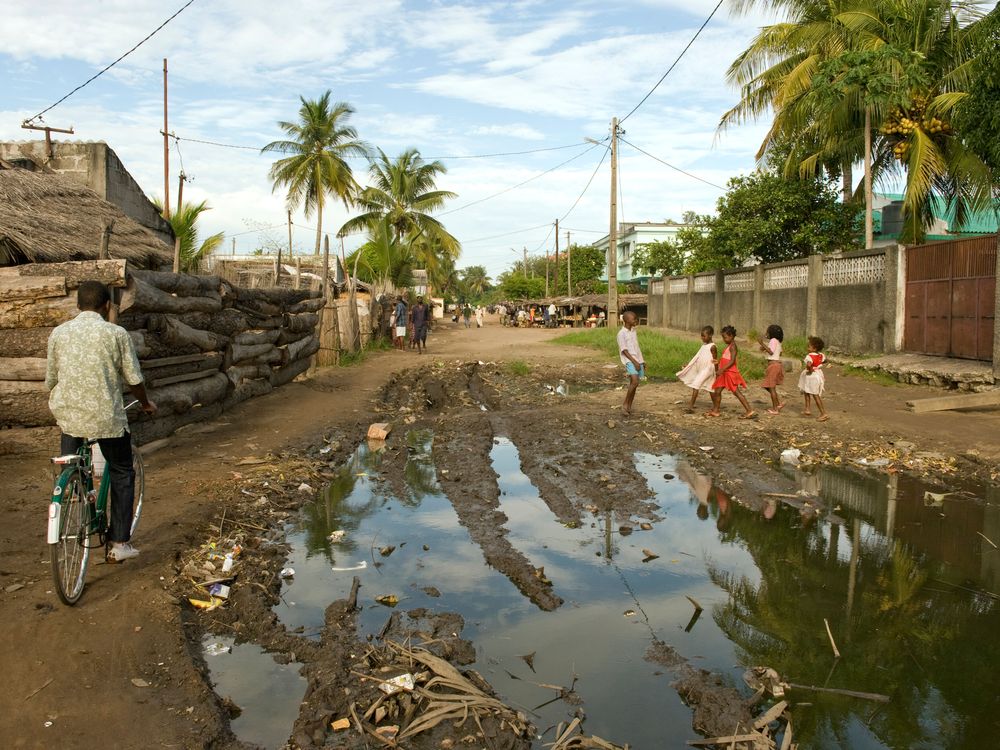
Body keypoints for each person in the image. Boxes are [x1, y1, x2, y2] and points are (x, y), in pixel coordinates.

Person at [45, 281, 157, 563]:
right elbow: (134, 379)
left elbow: (51, 380)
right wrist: (144, 403)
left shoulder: (59, 333)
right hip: (106, 417)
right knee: (121, 470)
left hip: (68, 416)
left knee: (73, 465)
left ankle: (74, 492)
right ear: (107, 306)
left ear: (77, 305)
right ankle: (119, 543)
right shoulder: (115, 333)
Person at [708, 325, 755, 419]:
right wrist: (718, 362)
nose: (724, 339)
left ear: (731, 336)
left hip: (729, 373)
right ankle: (716, 411)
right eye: (723, 337)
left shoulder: (733, 346)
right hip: (725, 373)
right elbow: (726, 359)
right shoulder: (729, 346)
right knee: (717, 391)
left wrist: (721, 369)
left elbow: (732, 361)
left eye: (725, 337)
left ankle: (749, 411)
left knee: (736, 392)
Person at [677, 326, 717, 413]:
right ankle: (716, 407)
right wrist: (688, 365)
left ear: (710, 335)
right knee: (710, 388)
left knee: (696, 385)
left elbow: (715, 361)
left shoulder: (713, 347)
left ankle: (691, 407)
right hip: (702, 370)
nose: (702, 338)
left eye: (704, 336)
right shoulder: (703, 346)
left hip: (708, 370)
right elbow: (697, 357)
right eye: (701, 336)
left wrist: (717, 372)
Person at [617, 311, 645, 416]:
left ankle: (629, 406)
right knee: (634, 381)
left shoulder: (633, 331)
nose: (636, 321)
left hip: (637, 360)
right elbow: (624, 350)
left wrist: (642, 361)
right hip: (630, 360)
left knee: (635, 383)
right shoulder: (621, 334)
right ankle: (624, 405)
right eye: (634, 319)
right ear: (627, 320)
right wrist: (634, 362)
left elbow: (637, 348)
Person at [798, 336, 828, 421]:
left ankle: (823, 413)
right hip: (818, 375)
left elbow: (808, 364)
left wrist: (810, 370)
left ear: (814, 348)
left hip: (811, 376)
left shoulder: (809, 356)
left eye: (809, 346)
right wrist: (819, 365)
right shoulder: (821, 355)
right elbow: (825, 361)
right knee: (807, 391)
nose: (807, 348)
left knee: (814, 395)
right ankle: (807, 409)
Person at [759, 324, 785, 415]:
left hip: (773, 365)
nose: (766, 333)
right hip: (777, 364)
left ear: (771, 333)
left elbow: (771, 352)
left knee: (771, 387)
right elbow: (779, 353)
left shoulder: (773, 340)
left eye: (767, 331)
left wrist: (762, 343)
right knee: (767, 386)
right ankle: (778, 404)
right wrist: (765, 348)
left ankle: (775, 409)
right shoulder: (777, 341)